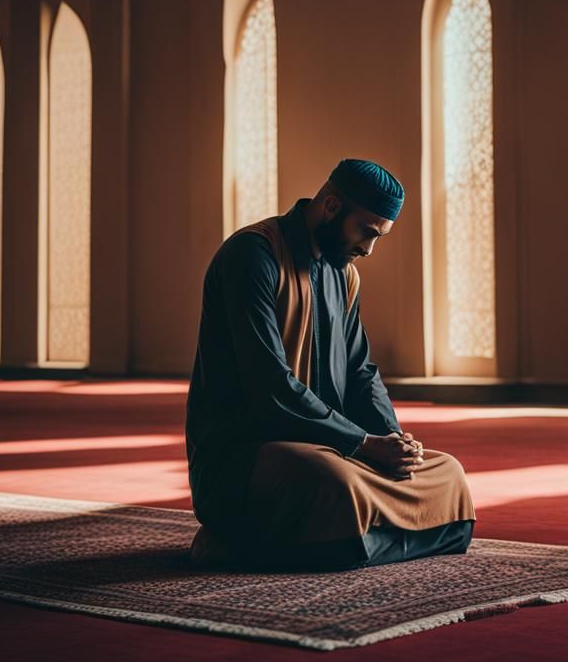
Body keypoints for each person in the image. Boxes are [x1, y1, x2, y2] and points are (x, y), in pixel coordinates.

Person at [184, 158, 476, 570]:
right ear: (332, 207)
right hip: (247, 455)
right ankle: (239, 535)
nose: (369, 249)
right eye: (366, 232)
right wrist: (361, 444)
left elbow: (360, 372)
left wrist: (392, 442)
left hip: (333, 445)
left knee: (447, 475)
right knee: (334, 483)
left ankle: (332, 543)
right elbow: (270, 388)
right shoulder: (252, 255)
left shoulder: (345, 275)